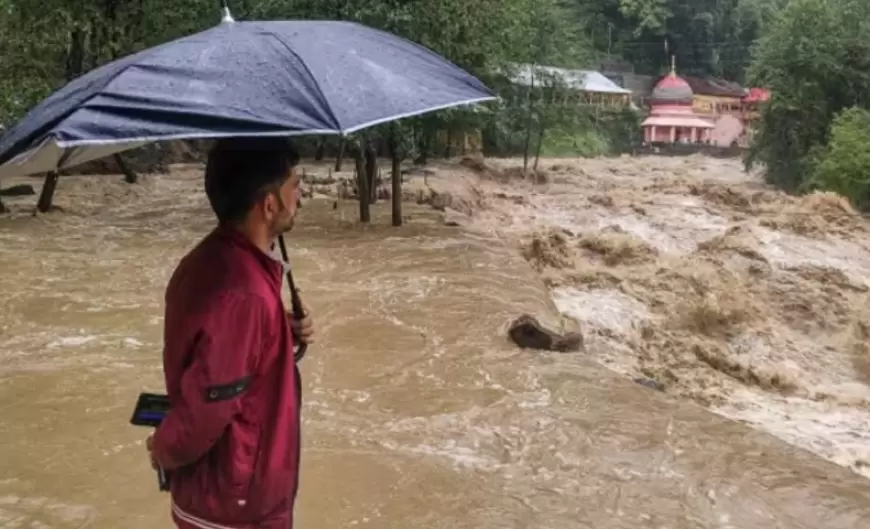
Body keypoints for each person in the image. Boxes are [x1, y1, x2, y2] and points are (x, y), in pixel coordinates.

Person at [146, 136, 315, 529]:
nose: (301, 196)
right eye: (295, 185)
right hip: (235, 504)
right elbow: (208, 407)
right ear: (269, 204)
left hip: (228, 492)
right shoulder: (244, 294)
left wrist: (281, 331)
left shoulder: (216, 260)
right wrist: (164, 448)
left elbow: (228, 357)